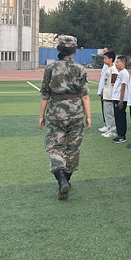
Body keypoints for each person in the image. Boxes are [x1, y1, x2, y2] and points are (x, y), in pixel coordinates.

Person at [39, 35, 91, 200]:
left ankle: (61, 180)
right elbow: (85, 95)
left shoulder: (50, 68)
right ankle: (66, 180)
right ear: (74, 51)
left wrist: (41, 116)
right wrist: (88, 116)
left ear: (58, 49)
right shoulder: (80, 69)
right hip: (76, 112)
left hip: (56, 112)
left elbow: (45, 94)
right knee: (73, 147)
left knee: (55, 146)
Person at [111, 55, 130, 143]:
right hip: (117, 97)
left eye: (118, 62)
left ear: (123, 63)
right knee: (117, 117)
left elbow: (123, 86)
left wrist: (121, 100)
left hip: (120, 99)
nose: (116, 64)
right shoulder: (121, 72)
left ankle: (122, 135)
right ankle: (119, 134)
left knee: (120, 117)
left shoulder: (124, 73)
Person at [99, 51, 118, 138]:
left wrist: (113, 94)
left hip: (110, 95)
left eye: (105, 58)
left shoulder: (113, 69)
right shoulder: (108, 69)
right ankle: (109, 128)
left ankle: (113, 130)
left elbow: (114, 83)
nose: (104, 60)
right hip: (106, 94)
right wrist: (103, 91)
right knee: (107, 113)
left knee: (110, 113)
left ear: (110, 59)